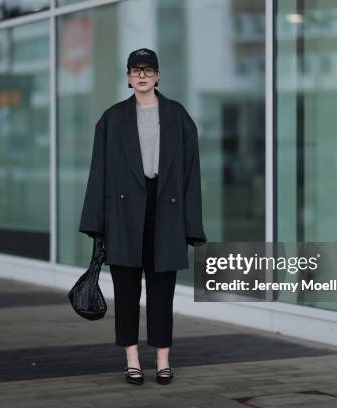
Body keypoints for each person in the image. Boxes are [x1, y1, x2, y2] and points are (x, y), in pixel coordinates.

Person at [79, 48, 207, 386]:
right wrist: (96, 225)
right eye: (135, 70)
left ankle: (163, 360)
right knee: (126, 290)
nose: (142, 75)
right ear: (127, 77)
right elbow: (99, 174)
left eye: (148, 70)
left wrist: (191, 226)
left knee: (162, 290)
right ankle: (132, 359)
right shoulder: (111, 118)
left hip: (166, 209)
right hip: (122, 212)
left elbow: (191, 175)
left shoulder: (178, 116)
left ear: (158, 75)